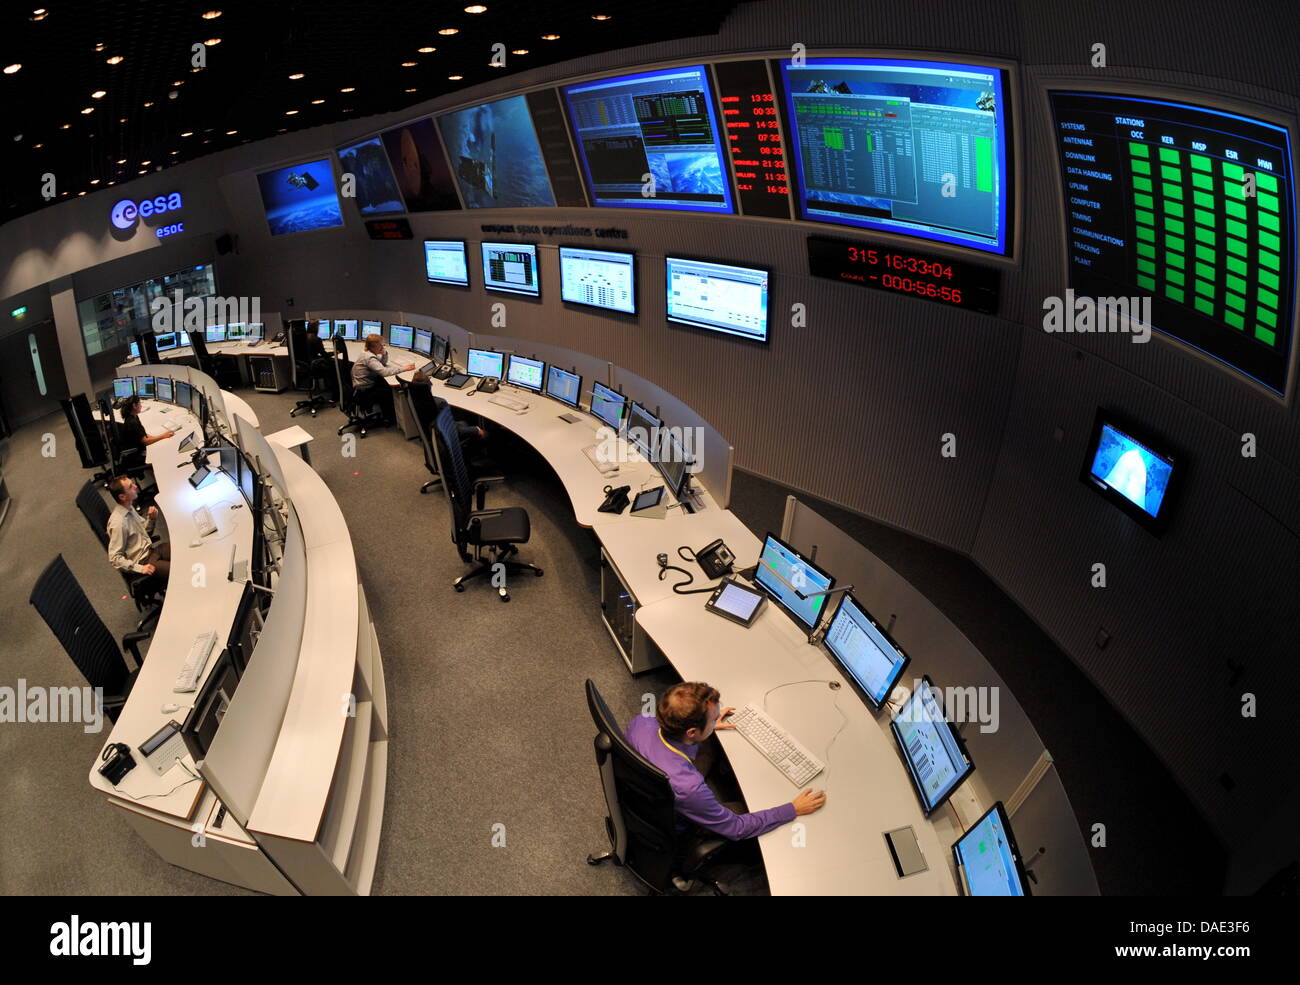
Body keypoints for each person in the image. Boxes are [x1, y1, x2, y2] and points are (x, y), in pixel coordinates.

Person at [625, 682, 826, 840]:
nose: (716, 720)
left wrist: (709, 727)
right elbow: (736, 828)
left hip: (644, 792)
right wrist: (791, 809)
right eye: (713, 719)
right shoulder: (690, 789)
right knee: (744, 808)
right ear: (692, 732)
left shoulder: (641, 721)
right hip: (671, 820)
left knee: (711, 746)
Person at [106, 475, 170, 585]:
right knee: (181, 572)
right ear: (122, 497)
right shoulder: (119, 523)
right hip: (144, 561)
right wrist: (140, 568)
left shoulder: (129, 507)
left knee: (183, 550)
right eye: (131, 487)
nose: (135, 486)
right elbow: (114, 559)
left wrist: (152, 519)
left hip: (151, 551)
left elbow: (145, 533)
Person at [351, 334, 414, 426]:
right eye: (381, 345)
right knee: (389, 390)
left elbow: (381, 364)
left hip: (361, 384)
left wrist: (384, 354)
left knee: (384, 384)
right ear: (374, 346)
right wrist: (404, 368)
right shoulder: (369, 358)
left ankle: (388, 415)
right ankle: (389, 418)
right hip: (364, 389)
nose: (382, 346)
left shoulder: (367, 353)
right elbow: (384, 372)